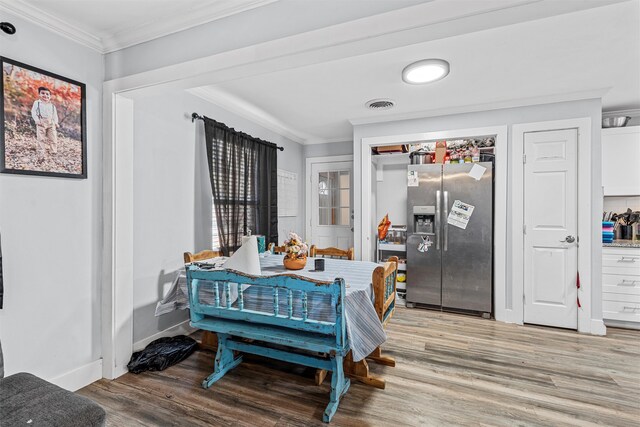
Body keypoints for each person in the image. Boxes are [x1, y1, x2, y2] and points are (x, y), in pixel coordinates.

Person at [31, 86, 59, 161]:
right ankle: (41, 151)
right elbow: (33, 112)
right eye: (43, 93)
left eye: (47, 94)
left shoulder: (52, 106)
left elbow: (55, 115)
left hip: (51, 123)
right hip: (41, 122)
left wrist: (56, 122)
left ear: (50, 96)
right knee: (41, 138)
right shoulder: (37, 103)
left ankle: (53, 151)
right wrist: (36, 120)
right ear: (39, 94)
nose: (45, 95)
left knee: (53, 138)